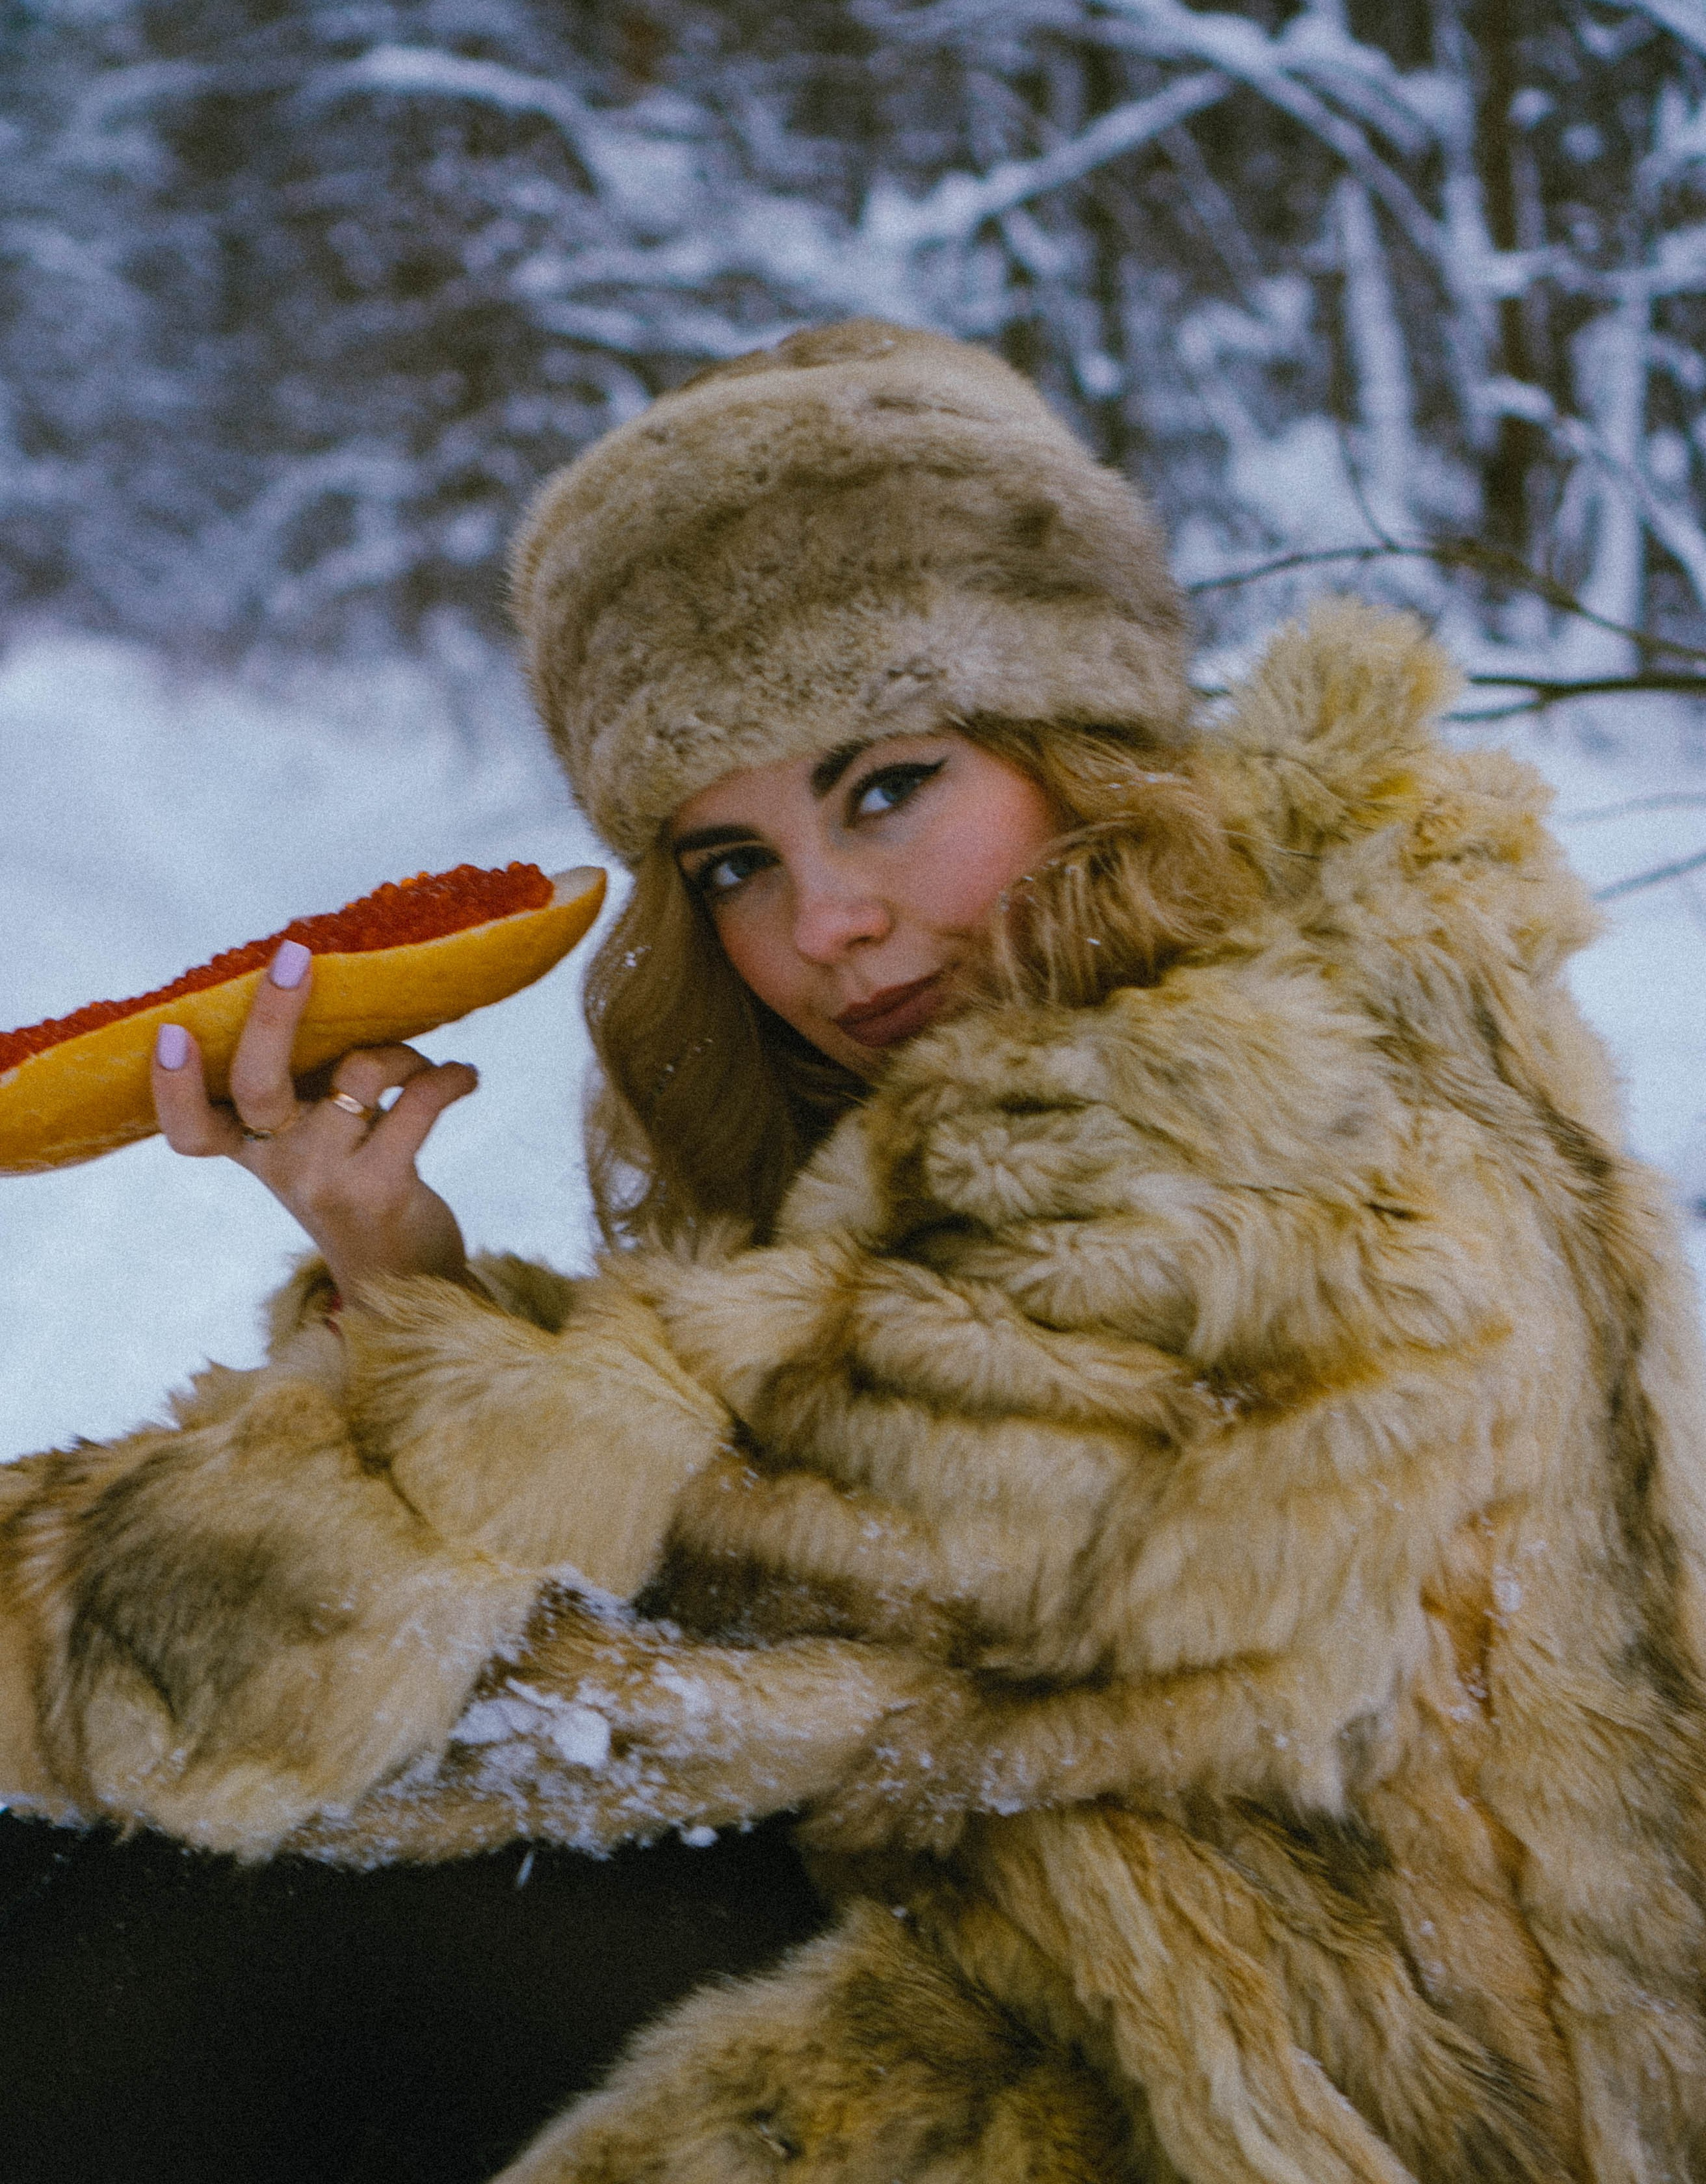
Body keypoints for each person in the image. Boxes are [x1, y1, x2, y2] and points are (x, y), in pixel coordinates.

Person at [3, 317, 1705, 2184]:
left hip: (1291, 2098)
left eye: (886, 786)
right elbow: (762, 1514)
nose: (827, 922)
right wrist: (394, 1265)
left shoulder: (1262, 1168)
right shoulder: (1282, 1008)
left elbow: (668, 1662)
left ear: (1079, 743)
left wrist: (60, 1623)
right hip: (1091, 1950)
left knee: (119, 1938)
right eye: (728, 860)